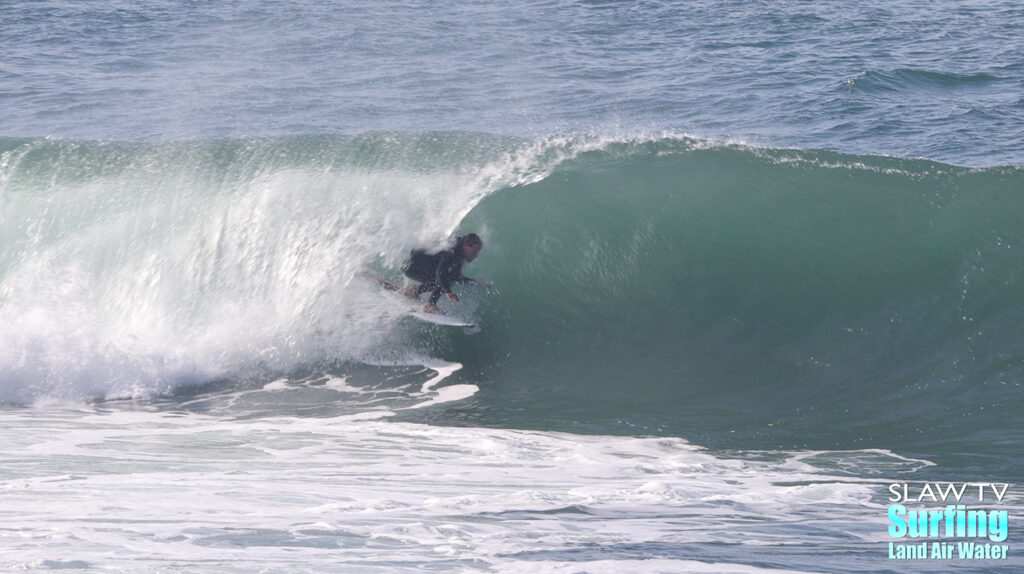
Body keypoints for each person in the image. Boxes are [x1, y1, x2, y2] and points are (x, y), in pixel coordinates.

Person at [402, 233, 488, 314]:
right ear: (465, 246)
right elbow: (440, 274)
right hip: (411, 266)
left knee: (449, 278)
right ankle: (430, 305)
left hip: (412, 264)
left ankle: (413, 292)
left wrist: (474, 282)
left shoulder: (459, 250)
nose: (476, 255)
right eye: (474, 251)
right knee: (444, 279)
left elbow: (457, 277)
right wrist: (448, 291)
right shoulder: (451, 251)